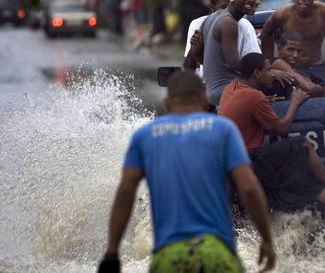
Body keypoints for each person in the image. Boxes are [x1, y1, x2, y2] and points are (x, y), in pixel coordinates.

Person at [97, 71, 276, 273]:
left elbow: (125, 192)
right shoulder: (223, 130)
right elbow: (249, 189)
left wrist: (112, 252)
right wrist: (266, 240)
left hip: (169, 258)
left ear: (167, 103)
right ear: (204, 99)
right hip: (216, 253)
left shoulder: (144, 136)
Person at [218, 52, 325, 232]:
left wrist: (266, 102)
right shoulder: (254, 97)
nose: (272, 74)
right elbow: (280, 128)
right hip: (251, 160)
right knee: (302, 145)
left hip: (231, 167)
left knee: (302, 182)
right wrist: (295, 101)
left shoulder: (231, 88)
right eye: (268, 70)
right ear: (256, 74)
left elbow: (244, 110)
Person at [261, 0, 325, 84]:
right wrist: (270, 62)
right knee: (303, 90)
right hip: (292, 67)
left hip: (317, 65)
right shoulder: (282, 14)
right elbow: (266, 33)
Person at [183, 0, 261, 78]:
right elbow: (188, 67)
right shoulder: (199, 24)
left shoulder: (244, 25)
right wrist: (194, 49)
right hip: (207, 85)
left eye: (230, 6)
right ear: (212, 8)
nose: (227, 11)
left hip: (236, 85)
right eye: (223, 7)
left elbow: (254, 61)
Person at [271, 31, 325, 97]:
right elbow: (309, 88)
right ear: (279, 49)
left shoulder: (299, 67)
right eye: (290, 50)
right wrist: (316, 87)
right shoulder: (278, 63)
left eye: (299, 51)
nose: (295, 55)